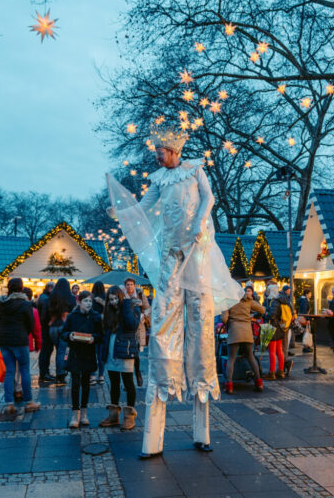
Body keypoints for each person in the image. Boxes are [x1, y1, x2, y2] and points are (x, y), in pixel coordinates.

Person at [107, 123, 242, 458]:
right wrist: (122, 212)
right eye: (156, 153)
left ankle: (202, 419)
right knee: (167, 314)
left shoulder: (195, 170)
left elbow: (209, 198)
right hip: (171, 253)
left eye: (162, 152)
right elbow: (144, 206)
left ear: (175, 151)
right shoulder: (159, 179)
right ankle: (157, 420)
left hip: (195, 250)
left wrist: (199, 222)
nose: (157, 157)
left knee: (199, 314)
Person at [0, 278, 40, 415]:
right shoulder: (25, 304)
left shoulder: (2, 304)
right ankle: (29, 402)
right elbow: (31, 323)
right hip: (20, 340)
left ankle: (8, 403)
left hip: (4, 341)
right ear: (21, 288)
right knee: (25, 370)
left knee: (9, 371)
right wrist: (27, 335)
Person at [99, 286, 139, 429]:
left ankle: (129, 416)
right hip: (112, 350)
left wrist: (127, 304)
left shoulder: (131, 308)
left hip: (126, 350)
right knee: (114, 383)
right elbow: (105, 331)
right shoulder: (109, 312)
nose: (114, 302)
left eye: (116, 298)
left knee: (128, 383)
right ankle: (113, 415)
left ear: (121, 298)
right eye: (111, 300)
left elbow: (132, 325)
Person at [61, 291, 103, 428]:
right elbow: (64, 333)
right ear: (79, 302)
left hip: (88, 353)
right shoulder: (72, 316)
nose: (88, 304)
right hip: (75, 353)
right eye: (85, 301)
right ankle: (75, 414)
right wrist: (70, 335)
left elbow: (100, 335)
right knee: (75, 383)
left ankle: (84, 413)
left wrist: (94, 338)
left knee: (86, 384)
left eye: (90, 301)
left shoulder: (95, 316)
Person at [220, 285, 265, 393]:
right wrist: (251, 316)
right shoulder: (248, 300)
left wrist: (230, 321)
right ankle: (259, 383)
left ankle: (229, 386)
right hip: (247, 332)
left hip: (235, 332)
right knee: (250, 356)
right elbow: (262, 310)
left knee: (231, 358)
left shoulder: (228, 301)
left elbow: (224, 318)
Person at [47, 278, 76, 386]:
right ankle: (61, 374)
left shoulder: (52, 297)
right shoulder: (70, 297)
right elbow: (73, 311)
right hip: (64, 326)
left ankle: (59, 373)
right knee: (62, 351)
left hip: (53, 327)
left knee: (58, 350)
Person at [14, 287, 41, 401]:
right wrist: (38, 344)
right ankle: (22, 393)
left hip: (8, 342)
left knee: (11, 369)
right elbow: (36, 329)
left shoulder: (10, 306)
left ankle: (12, 393)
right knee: (23, 369)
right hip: (24, 341)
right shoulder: (32, 310)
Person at [124, 277, 149, 387]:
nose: (129, 286)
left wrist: (143, 315)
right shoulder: (122, 295)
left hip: (138, 327)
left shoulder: (139, 294)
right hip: (126, 327)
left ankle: (138, 373)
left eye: (131, 284)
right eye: (127, 284)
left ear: (134, 285)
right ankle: (127, 381)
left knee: (136, 353)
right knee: (126, 353)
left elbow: (148, 308)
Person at [264, 285, 286, 380]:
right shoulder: (281, 300)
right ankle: (281, 371)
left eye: (268, 290)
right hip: (279, 328)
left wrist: (266, 314)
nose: (267, 291)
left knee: (272, 351)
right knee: (279, 351)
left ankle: (271, 373)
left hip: (273, 328)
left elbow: (272, 315)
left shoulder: (274, 301)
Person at [36, 282, 55, 383]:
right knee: (46, 351)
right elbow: (44, 315)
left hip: (44, 327)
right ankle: (44, 374)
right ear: (50, 288)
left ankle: (44, 373)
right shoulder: (46, 298)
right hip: (46, 328)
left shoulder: (43, 297)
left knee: (46, 351)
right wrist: (48, 323)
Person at [91, 281, 107, 385]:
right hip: (103, 329)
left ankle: (92, 375)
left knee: (92, 353)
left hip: (93, 328)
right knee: (101, 355)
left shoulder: (91, 299)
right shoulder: (106, 298)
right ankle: (101, 376)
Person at [296, 289, 313, 353]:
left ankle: (306, 346)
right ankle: (306, 346)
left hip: (304, 317)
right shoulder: (304, 300)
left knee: (306, 332)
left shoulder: (304, 300)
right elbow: (304, 311)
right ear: (306, 294)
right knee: (306, 332)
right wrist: (308, 319)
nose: (311, 295)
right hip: (304, 318)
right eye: (310, 293)